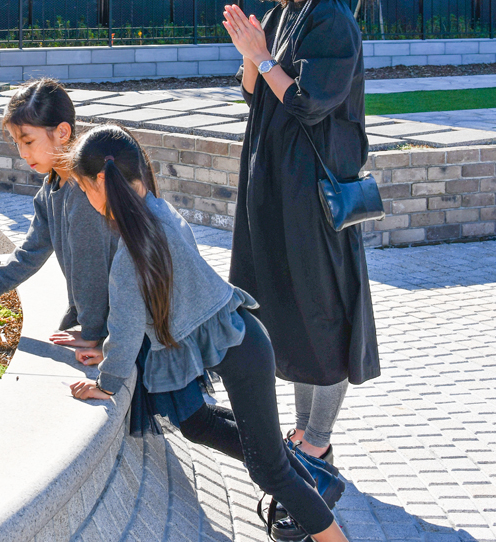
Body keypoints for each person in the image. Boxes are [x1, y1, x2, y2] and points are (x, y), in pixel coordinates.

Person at [66, 125, 349, 542]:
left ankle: (329, 523)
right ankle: (315, 481)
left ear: (104, 183)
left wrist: (106, 385)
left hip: (243, 353)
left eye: (84, 188)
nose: (86, 198)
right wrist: (108, 358)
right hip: (245, 341)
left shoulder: (131, 256)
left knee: (270, 471)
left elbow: (126, 330)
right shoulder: (160, 213)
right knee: (217, 431)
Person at [222, 0, 380, 466]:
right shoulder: (282, 13)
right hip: (274, 191)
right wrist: (251, 57)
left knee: (321, 315)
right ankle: (302, 433)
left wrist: (263, 60)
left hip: (312, 196)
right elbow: (256, 93)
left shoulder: (331, 19)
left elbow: (308, 103)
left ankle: (318, 441)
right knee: (284, 309)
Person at [0, 78, 119, 350]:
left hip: (130, 320)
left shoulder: (85, 192)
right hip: (109, 317)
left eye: (28, 141)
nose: (22, 153)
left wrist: (92, 333)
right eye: (17, 143)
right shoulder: (52, 186)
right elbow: (31, 250)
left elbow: (91, 271)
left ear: (63, 132)